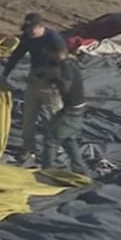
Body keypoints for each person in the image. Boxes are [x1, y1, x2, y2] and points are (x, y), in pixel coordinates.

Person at [1, 13, 67, 165]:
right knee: (28, 119)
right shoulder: (27, 38)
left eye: (32, 29)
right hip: (33, 83)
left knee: (54, 118)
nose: (29, 33)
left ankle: (57, 148)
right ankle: (27, 148)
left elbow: (63, 60)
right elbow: (17, 55)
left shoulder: (53, 38)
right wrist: (5, 75)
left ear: (40, 27)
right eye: (27, 29)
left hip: (51, 86)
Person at [40, 41, 92, 176]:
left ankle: (47, 170)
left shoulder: (65, 68)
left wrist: (52, 81)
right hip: (76, 108)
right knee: (69, 138)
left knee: (51, 138)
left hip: (72, 110)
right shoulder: (71, 63)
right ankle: (80, 171)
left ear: (56, 53)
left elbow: (65, 85)